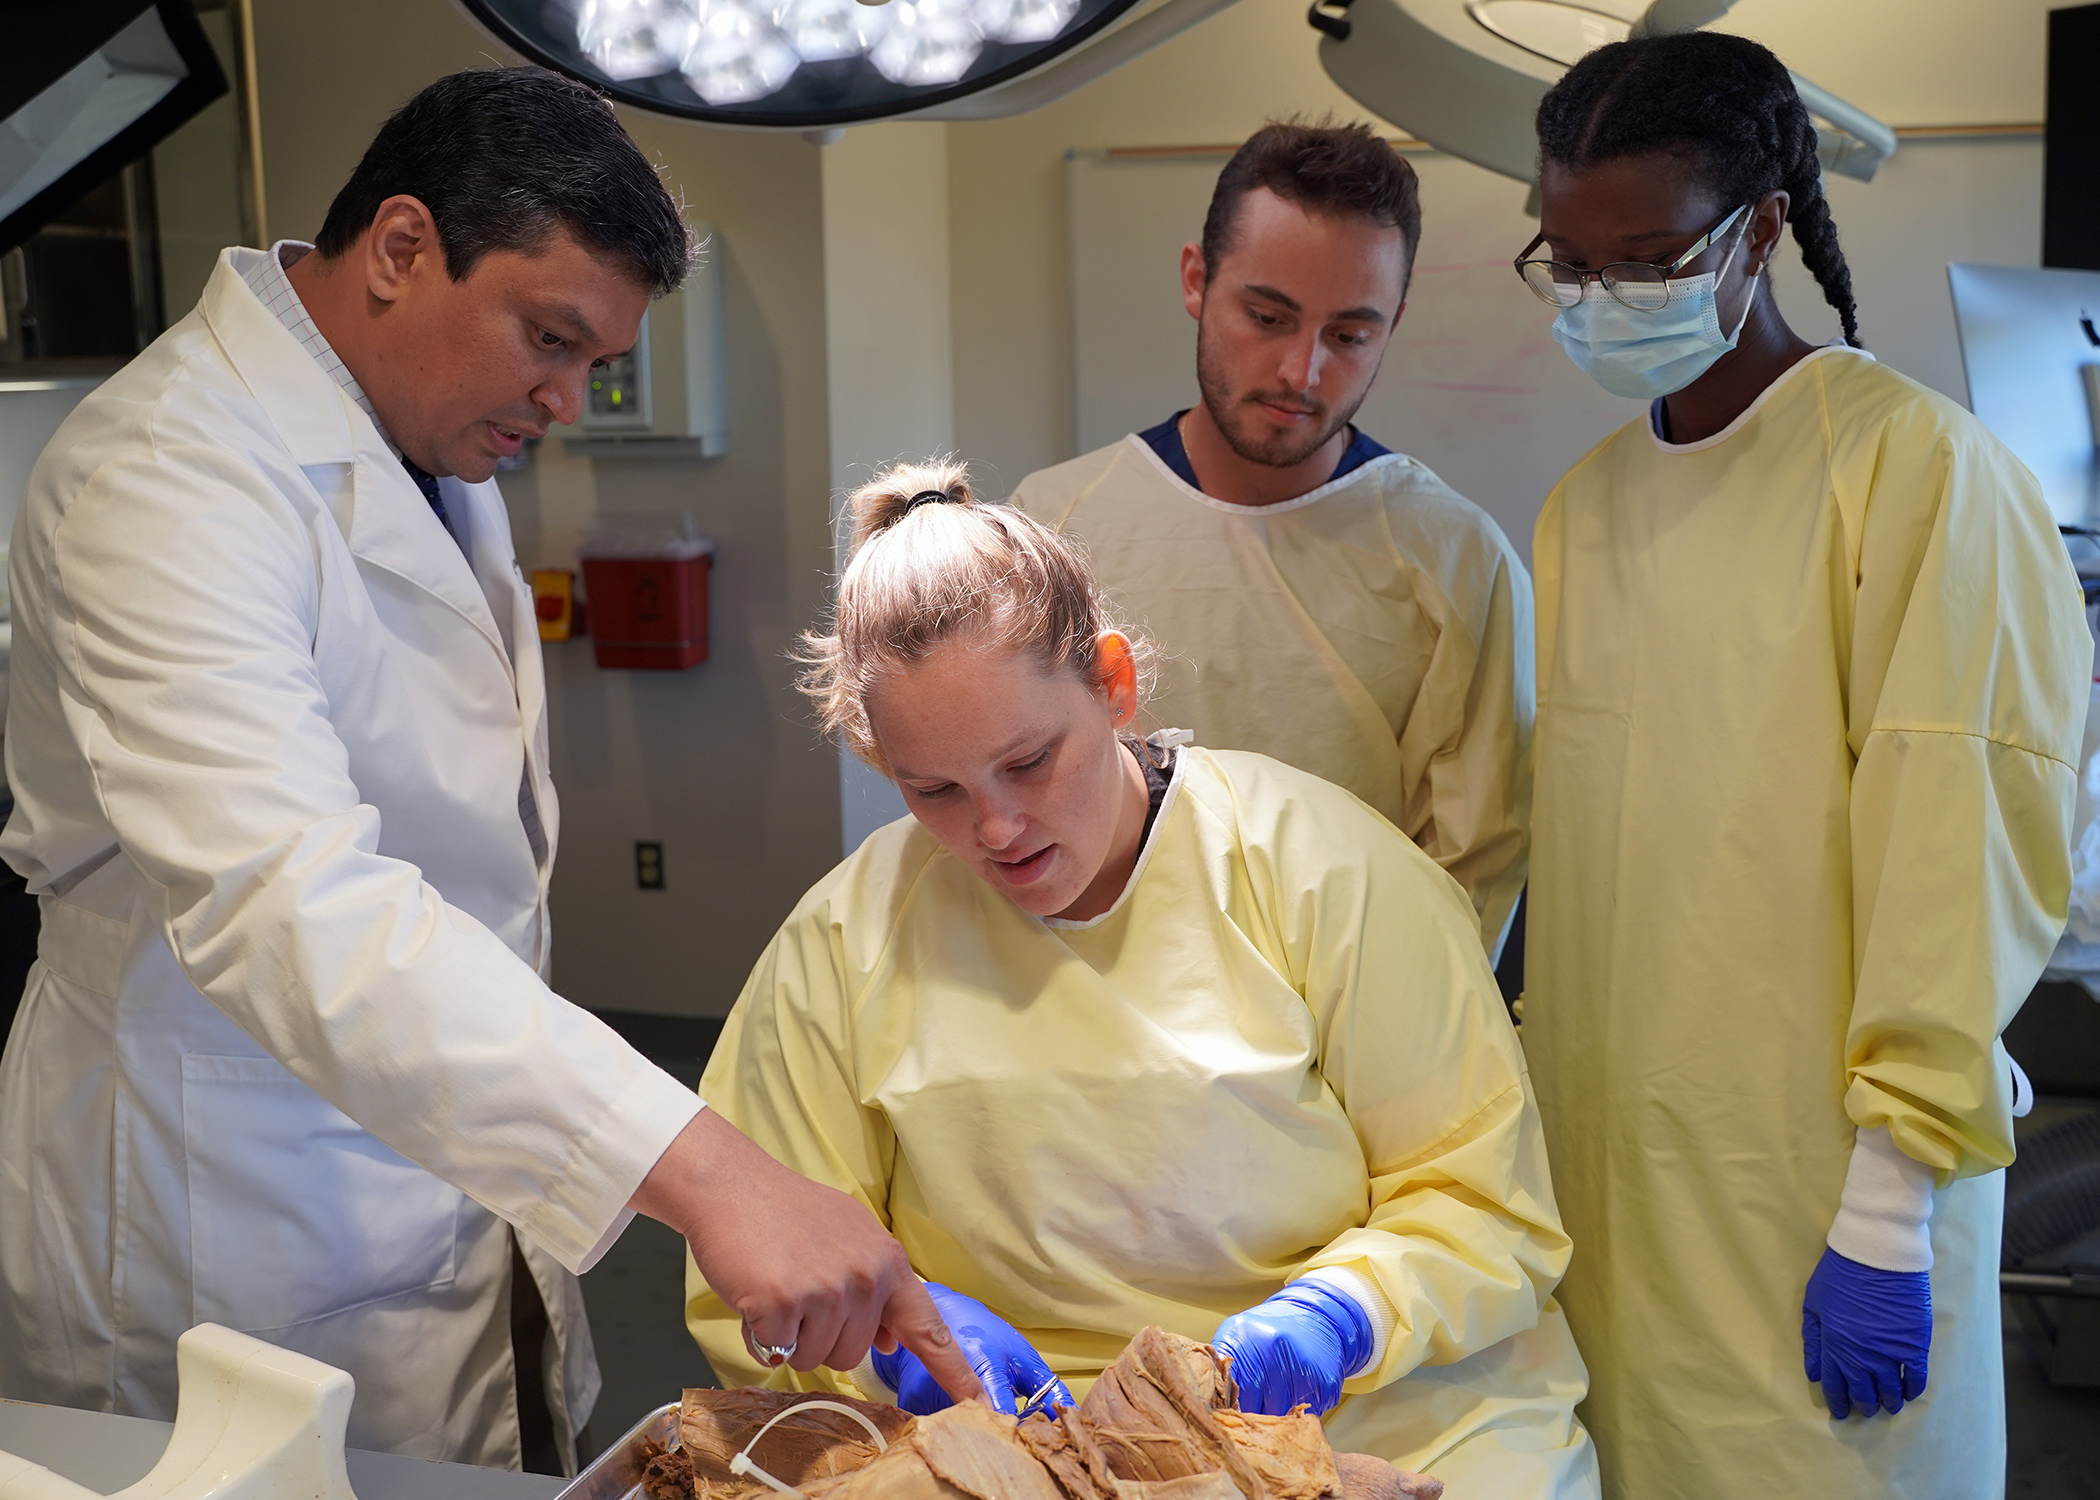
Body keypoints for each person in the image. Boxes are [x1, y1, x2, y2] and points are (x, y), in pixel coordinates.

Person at [0, 67, 976, 1474]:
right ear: (401, 250)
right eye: (550, 338)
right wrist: (705, 1168)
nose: (570, 400)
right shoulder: (164, 480)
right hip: (234, 1207)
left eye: (595, 360)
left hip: (439, 1157)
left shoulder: (419, 432)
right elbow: (294, 903)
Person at [683, 460, 1600, 1498]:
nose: (996, 828)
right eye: (932, 788)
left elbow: (1485, 1204)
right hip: (1015, 1444)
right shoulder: (843, 942)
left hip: (1383, 1408)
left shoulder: (1328, 870)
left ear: (1113, 685)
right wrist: (897, 1336)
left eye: (1030, 761)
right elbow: (762, 1260)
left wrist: (1336, 1319)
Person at [1517, 32, 2091, 1500]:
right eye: (1567, 265)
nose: (1598, 300)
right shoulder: (1584, 511)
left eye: (1642, 259)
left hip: (1826, 1203)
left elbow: (1957, 859)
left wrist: (1890, 1211)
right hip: (1623, 1184)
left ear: (1760, 230)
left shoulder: (1919, 477)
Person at [1014, 122, 1533, 959]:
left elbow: (1469, 871)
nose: (1303, 371)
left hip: (1347, 1020)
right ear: (1196, 279)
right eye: (1267, 315)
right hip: (1094, 1005)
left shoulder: (1454, 558)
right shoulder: (1057, 526)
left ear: (1393, 323)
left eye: (1349, 336)